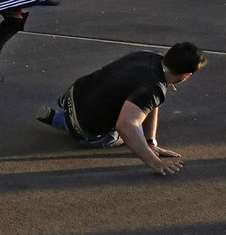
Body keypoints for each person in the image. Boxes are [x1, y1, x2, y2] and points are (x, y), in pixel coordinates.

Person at [37, 42, 204, 176]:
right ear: (186, 75)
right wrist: (155, 162)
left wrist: (150, 141)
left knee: (135, 109)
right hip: (87, 131)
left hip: (74, 96)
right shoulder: (153, 88)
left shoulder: (148, 56)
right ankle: (64, 123)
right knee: (131, 130)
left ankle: (59, 118)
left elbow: (150, 103)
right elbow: (125, 126)